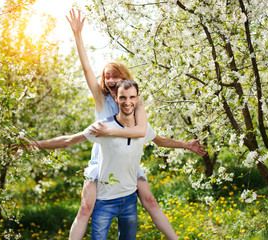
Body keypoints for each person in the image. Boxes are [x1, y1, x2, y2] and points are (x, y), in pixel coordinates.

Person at [66, 9, 207, 240]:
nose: (110, 79)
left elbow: (149, 135)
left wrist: (185, 145)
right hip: (101, 162)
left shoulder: (135, 104)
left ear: (125, 79)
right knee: (85, 209)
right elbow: (86, 70)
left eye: (114, 75)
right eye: (106, 76)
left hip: (127, 162)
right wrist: (78, 35)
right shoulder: (102, 100)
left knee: (150, 199)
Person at [18, 80, 204, 239]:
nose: (127, 102)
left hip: (130, 199)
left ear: (137, 99)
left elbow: (161, 141)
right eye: (123, 97)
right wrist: (35, 144)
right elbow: (68, 141)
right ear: (116, 99)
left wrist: (187, 145)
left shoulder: (144, 129)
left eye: (132, 97)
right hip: (105, 201)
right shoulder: (102, 127)